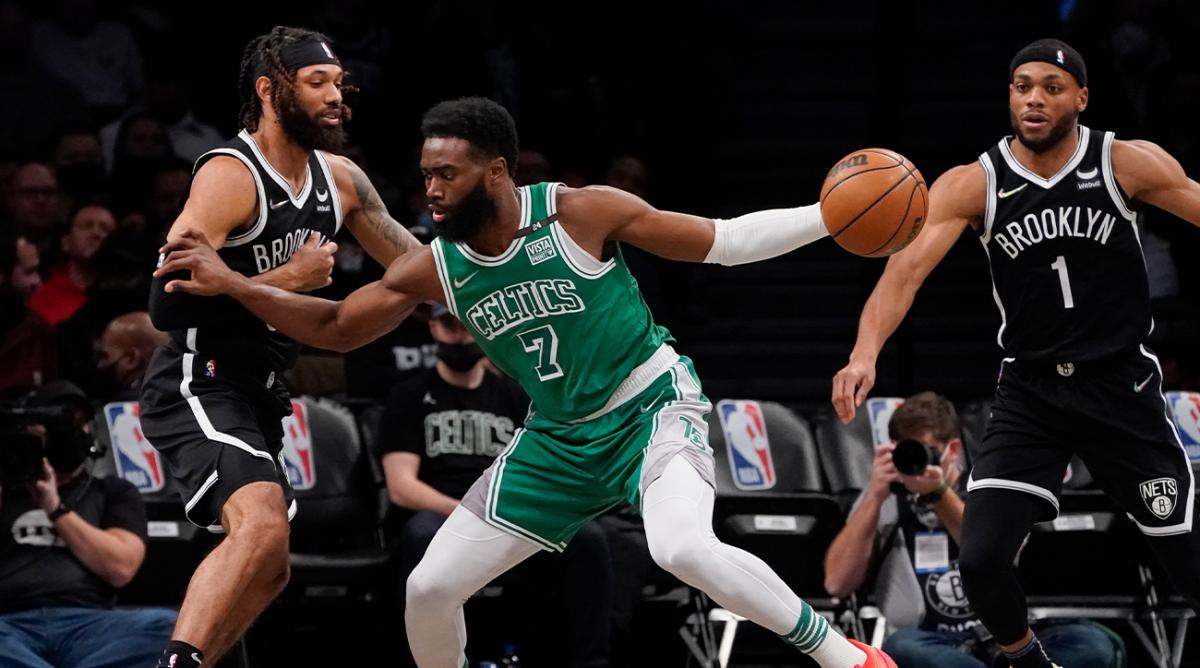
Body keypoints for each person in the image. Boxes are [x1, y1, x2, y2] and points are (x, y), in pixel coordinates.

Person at [155, 96, 897, 668]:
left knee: (681, 549)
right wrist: (236, 284)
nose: (431, 191)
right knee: (429, 589)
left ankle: (846, 654)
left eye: (446, 174)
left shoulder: (579, 212)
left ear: (498, 171)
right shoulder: (437, 264)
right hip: (558, 438)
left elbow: (726, 242)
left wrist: (830, 218)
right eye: (424, 176)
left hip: (651, 407)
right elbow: (340, 326)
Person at [831, 39, 1200, 668]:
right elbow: (903, 275)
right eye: (1022, 85)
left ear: (1081, 98)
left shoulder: (1126, 163)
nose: (1034, 98)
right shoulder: (973, 183)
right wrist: (864, 353)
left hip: (1120, 388)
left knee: (1188, 564)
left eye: (1052, 87)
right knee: (979, 559)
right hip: (1033, 392)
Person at [138, 26, 423, 668]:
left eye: (339, 84)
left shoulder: (342, 179)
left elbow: (419, 267)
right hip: (198, 377)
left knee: (271, 569)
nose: (335, 97)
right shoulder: (229, 176)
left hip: (264, 389)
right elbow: (166, 303)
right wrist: (283, 280)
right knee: (263, 525)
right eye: (317, 83)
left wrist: (515, 270)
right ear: (270, 91)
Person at [380, 305, 613, 667]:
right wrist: (469, 514)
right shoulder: (409, 395)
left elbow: (546, 467)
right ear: (433, 329)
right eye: (447, 324)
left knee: (588, 538)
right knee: (419, 536)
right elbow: (401, 487)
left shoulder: (514, 396)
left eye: (465, 326)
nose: (458, 334)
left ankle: (590, 661)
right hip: (441, 512)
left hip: (507, 510)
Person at [823, 392, 1120, 667]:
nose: (917, 463)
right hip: (928, 642)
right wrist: (874, 496)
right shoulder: (883, 498)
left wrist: (939, 493)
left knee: (1093, 644)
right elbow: (836, 583)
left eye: (926, 451)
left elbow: (1004, 554)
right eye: (907, 451)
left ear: (953, 449)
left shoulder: (986, 490)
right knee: (902, 648)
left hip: (1007, 637)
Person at [0, 380, 177, 668]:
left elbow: (121, 568)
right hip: (8, 625)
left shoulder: (111, 491)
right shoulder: (6, 488)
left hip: (90, 626)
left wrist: (54, 507)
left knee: (170, 628)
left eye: (80, 422)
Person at [28, 202, 116, 326]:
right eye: (86, 226)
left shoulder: (126, 296)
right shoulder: (43, 298)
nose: (96, 233)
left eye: (105, 229)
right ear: (65, 242)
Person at [96, 312, 167, 403]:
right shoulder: (184, 394)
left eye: (105, 356)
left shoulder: (117, 411)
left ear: (131, 359)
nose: (100, 364)